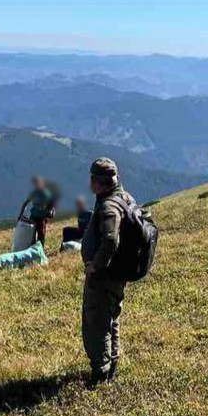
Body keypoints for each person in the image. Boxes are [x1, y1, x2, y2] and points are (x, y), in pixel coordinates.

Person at [80, 158, 136, 387]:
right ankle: (112, 364)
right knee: (111, 319)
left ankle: (100, 373)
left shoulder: (108, 206)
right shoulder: (125, 197)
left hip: (104, 277)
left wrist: (96, 265)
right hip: (117, 275)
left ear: (96, 181)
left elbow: (111, 240)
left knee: (97, 323)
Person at [17, 176, 53, 247]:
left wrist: (49, 212)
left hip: (42, 217)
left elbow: (51, 204)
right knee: (31, 235)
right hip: (33, 216)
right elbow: (25, 203)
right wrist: (20, 215)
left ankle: (40, 250)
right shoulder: (34, 193)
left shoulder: (45, 193)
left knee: (41, 234)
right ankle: (32, 249)